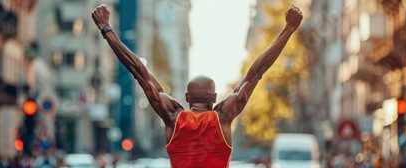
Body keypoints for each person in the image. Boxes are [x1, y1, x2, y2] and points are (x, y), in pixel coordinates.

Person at [91, 3, 303, 167]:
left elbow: (138, 71)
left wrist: (106, 28)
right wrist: (288, 29)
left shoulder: (173, 117)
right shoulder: (223, 117)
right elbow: (256, 72)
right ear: (215, 98)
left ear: (186, 98)